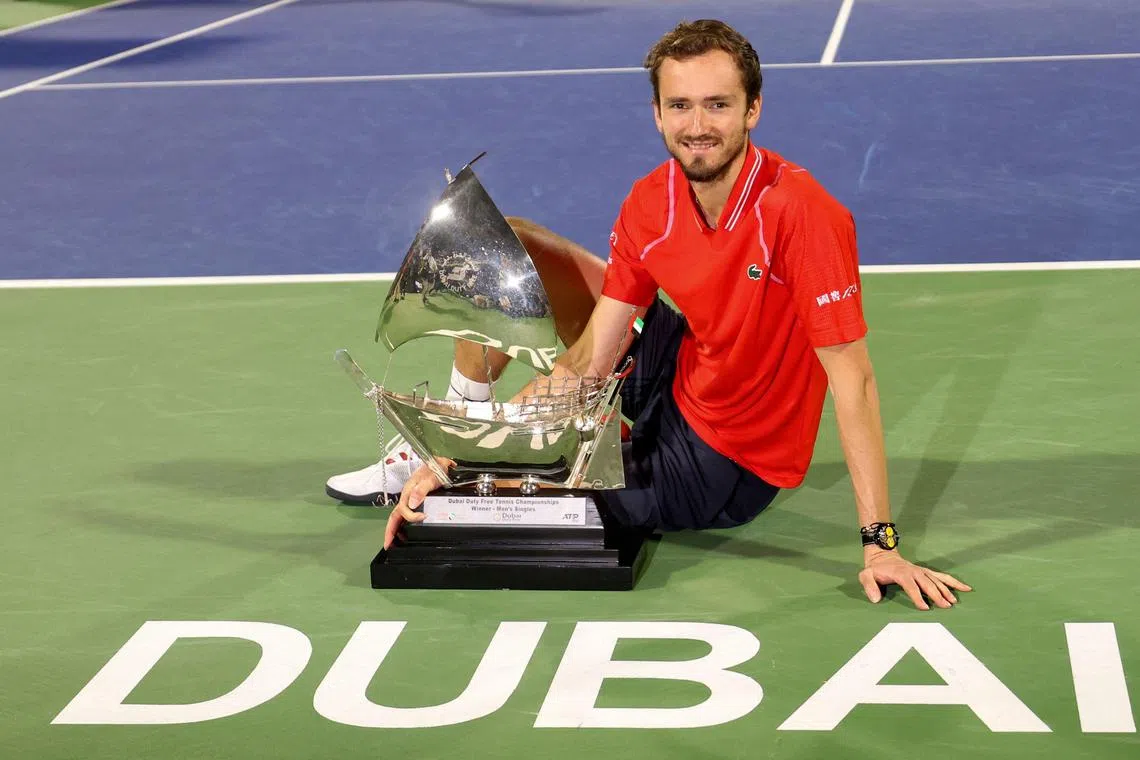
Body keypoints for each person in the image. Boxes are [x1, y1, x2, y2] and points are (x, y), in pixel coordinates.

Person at [326, 19, 971, 610]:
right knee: (508, 245)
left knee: (520, 503)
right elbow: (590, 359)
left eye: (718, 104)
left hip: (728, 461)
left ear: (753, 109)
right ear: (657, 115)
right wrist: (458, 454)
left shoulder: (803, 216)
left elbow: (852, 378)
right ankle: (449, 430)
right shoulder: (649, 202)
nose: (699, 125)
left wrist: (879, 540)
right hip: (683, 373)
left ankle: (510, 462)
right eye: (680, 105)